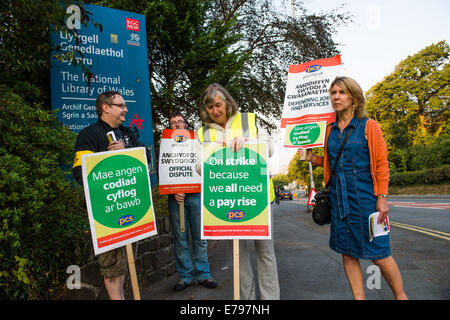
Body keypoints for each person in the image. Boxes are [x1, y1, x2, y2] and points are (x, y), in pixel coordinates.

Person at [297, 77, 407, 300]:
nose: (336, 97)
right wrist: (313, 158)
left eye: (341, 92)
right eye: (333, 93)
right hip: (339, 201)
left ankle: (401, 296)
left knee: (379, 255)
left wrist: (382, 197)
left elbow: (381, 165)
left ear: (354, 97)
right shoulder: (329, 130)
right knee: (347, 254)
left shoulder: (369, 126)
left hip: (367, 199)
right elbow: (332, 162)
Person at [196, 83, 280, 300]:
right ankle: (248, 301)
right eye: (210, 107)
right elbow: (198, 167)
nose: (215, 111)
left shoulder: (247, 121)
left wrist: (248, 142)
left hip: (256, 198)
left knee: (265, 253)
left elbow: (269, 148)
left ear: (227, 103)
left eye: (218, 105)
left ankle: (270, 299)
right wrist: (215, 151)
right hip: (226, 202)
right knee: (239, 257)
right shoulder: (203, 132)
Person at [72, 91, 151, 300]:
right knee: (112, 267)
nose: (126, 109)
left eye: (125, 105)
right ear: (105, 107)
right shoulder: (89, 134)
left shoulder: (128, 133)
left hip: (132, 210)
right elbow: (79, 172)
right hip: (107, 214)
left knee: (126, 262)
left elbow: (146, 157)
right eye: (121, 105)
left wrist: (125, 150)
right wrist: (107, 160)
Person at [166, 112, 217, 292]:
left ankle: (204, 273)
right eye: (173, 123)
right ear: (170, 126)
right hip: (175, 199)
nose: (177, 125)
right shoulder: (166, 145)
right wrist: (174, 191)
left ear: (186, 124)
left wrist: (187, 189)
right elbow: (165, 171)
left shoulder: (197, 142)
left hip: (196, 195)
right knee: (180, 239)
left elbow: (202, 166)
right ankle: (185, 276)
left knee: (200, 237)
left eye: (180, 122)